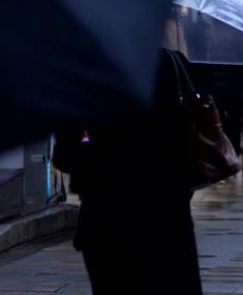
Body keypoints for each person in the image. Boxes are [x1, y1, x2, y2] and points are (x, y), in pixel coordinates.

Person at [53, 48, 203, 295]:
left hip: (107, 218)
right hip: (167, 216)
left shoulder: (84, 71)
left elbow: (66, 155)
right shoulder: (171, 63)